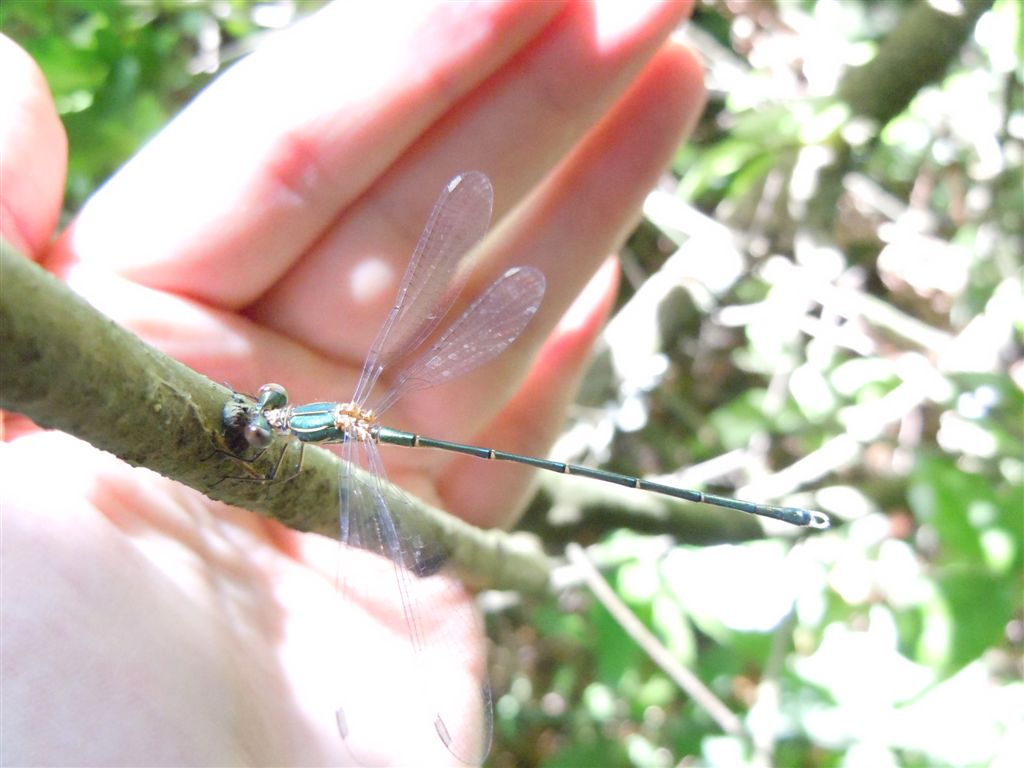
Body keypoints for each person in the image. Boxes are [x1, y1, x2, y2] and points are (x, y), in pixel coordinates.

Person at [0, 1, 704, 763]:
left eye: (266, 421)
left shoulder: (310, 438)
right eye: (267, 417)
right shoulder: (299, 427)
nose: (263, 415)